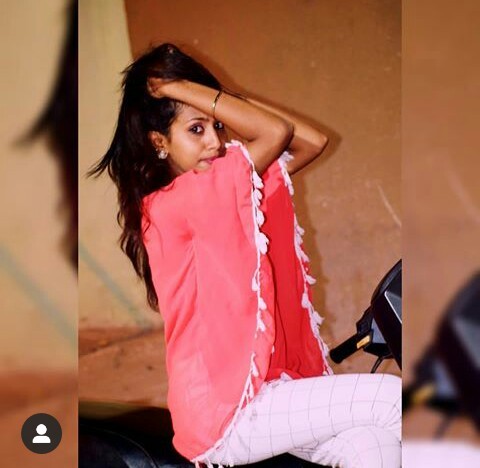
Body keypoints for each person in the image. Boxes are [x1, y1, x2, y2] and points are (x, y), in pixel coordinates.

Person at [90, 43, 401, 467]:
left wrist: (208, 94)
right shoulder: (174, 202)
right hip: (228, 409)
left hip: (274, 389)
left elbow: (312, 142)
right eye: (196, 129)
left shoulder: (231, 187)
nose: (215, 142)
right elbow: (275, 133)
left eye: (217, 126)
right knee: (392, 399)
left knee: (371, 444)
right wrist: (180, 88)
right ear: (159, 141)